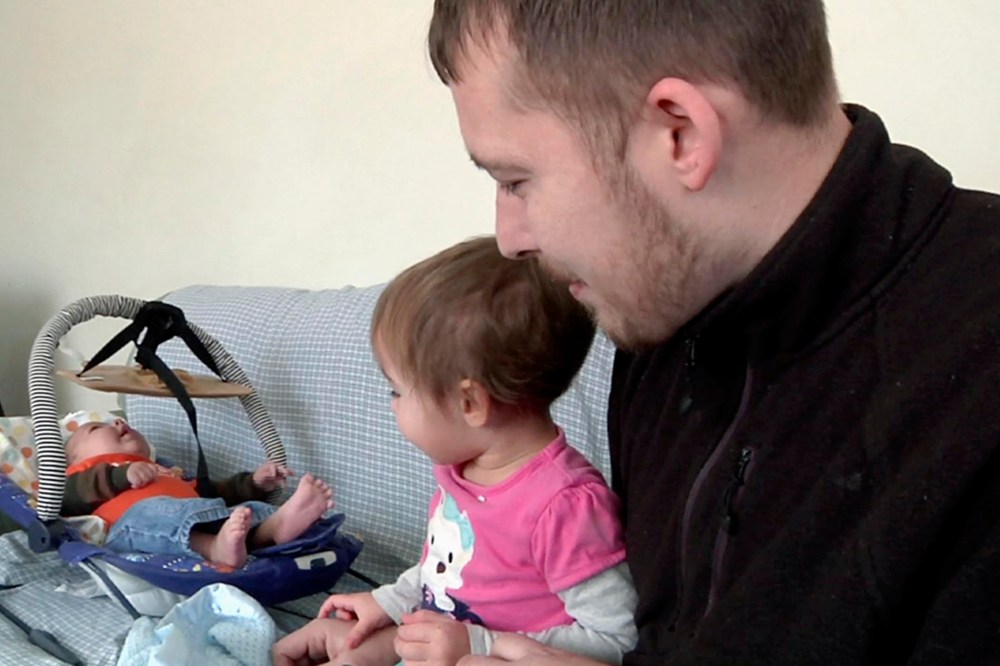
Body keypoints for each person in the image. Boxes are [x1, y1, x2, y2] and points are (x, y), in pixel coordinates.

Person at [414, 1, 1000, 665]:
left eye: (516, 179)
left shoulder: (974, 390)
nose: (510, 238)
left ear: (682, 135)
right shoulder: (666, 316)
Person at [273, 236, 637, 666]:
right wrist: (390, 601)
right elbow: (447, 576)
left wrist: (479, 646)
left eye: (397, 390)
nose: (391, 405)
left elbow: (616, 639)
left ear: (471, 404)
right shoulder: (466, 468)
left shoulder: (566, 506)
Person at [61, 415, 333, 569]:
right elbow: (67, 498)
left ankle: (273, 528)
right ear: (76, 460)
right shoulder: (81, 475)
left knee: (241, 511)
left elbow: (214, 493)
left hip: (200, 517)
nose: (117, 421)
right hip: (131, 532)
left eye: (115, 420)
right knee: (151, 510)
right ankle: (215, 547)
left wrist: (253, 482)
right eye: (96, 428)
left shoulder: (165, 470)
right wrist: (120, 475)